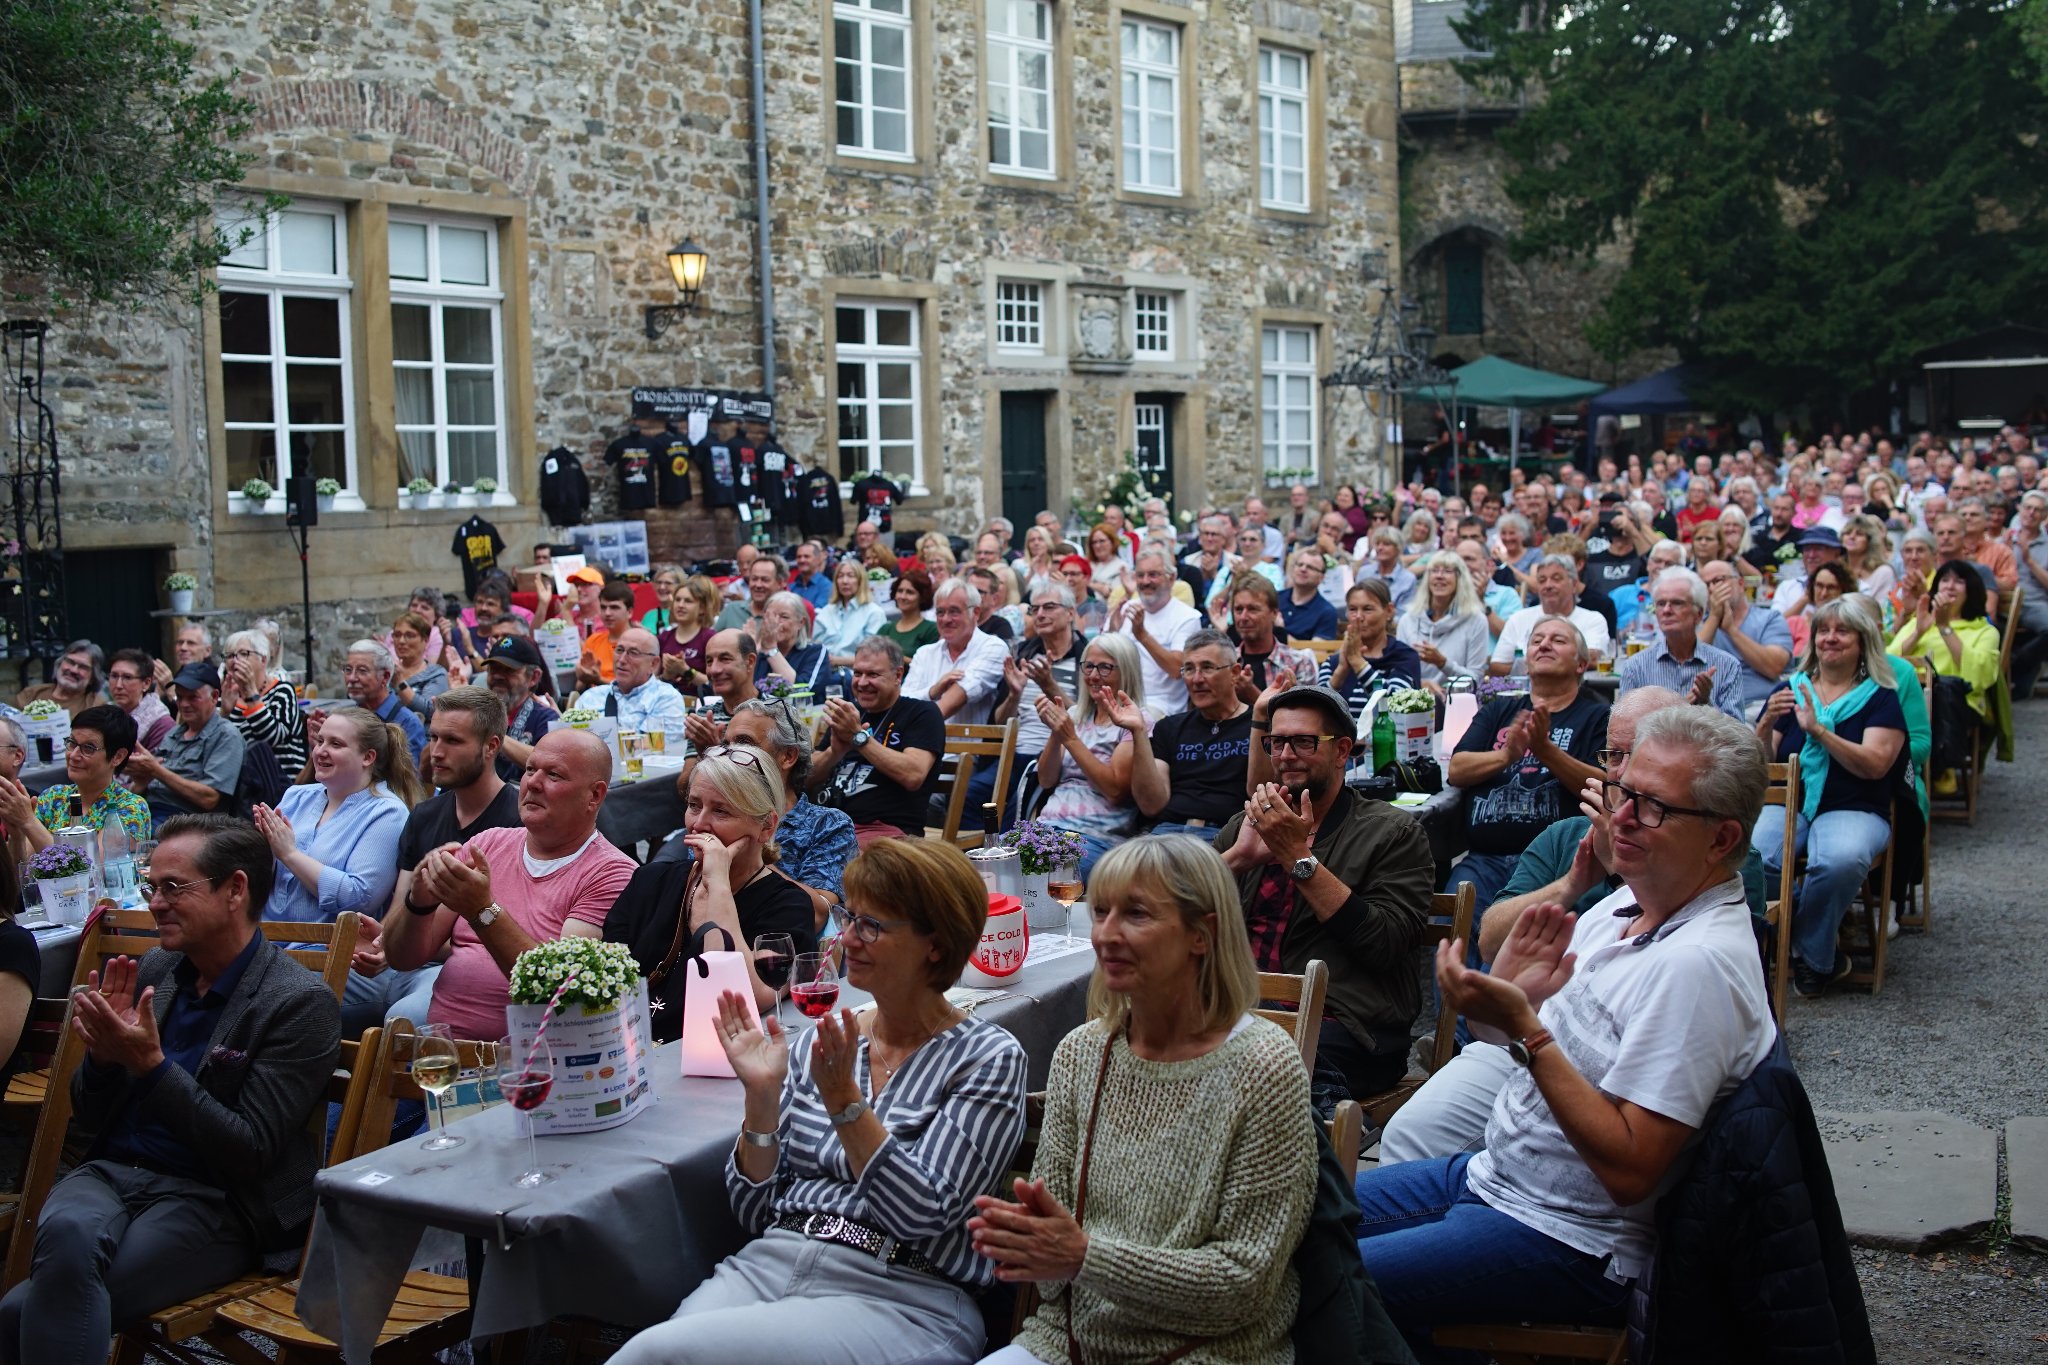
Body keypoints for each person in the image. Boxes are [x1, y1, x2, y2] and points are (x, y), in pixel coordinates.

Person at [1355, 707, 1776, 1357]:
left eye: (1653, 806)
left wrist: (1526, 1025)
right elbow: (1516, 1043)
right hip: (1495, 1178)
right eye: (1623, 790)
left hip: (1573, 1239)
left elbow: (1632, 1170)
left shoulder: (1699, 965)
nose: (1623, 816)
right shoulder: (1627, 902)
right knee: (1305, 1211)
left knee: (1323, 1282)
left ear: (1721, 840)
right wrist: (1506, 1005)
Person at [612, 843, 1024, 1365]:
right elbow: (755, 1212)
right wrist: (760, 1101)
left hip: (901, 1293)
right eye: (851, 916)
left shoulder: (985, 1058)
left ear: (935, 945)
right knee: (662, 1351)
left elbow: (921, 1213)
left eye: (872, 925)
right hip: (771, 1264)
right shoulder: (817, 1043)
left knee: (655, 1353)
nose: (846, 938)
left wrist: (846, 1104)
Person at [1377, 687, 1772, 1165]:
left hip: (1596, 1070)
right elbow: (1491, 939)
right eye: (1615, 755)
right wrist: (1573, 881)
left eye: (1645, 759)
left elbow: (1626, 1165)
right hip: (1528, 1041)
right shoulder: (1568, 836)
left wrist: (1630, 854)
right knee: (1408, 1137)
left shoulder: (1718, 874)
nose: (1623, 776)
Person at [0, 814, 340, 1365]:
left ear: (236, 889)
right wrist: (106, 1061)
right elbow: (86, 1119)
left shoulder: (297, 1003)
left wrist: (151, 1066)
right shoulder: (162, 965)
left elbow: (248, 1150)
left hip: (212, 1200)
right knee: (64, 1232)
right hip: (113, 1175)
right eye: (151, 885)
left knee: (21, 1311)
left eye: (172, 887)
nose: (154, 902)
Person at [972, 832, 1314, 1365]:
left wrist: (1084, 1257)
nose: (1105, 935)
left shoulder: (1263, 1069)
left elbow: (1245, 1286)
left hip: (1212, 1353)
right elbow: (1052, 1273)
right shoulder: (1081, 1056)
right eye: (1100, 911)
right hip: (1070, 1345)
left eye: (1135, 914)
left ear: (1203, 933)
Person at [1220, 683, 1435, 1102]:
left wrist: (1298, 857)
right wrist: (1238, 858)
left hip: (1345, 1026)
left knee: (1239, 1061)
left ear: (1341, 752)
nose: (1285, 756)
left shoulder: (1393, 832)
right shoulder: (1247, 825)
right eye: (1277, 742)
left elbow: (1385, 944)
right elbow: (1177, 914)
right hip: (1240, 1013)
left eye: (1303, 742)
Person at [383, 729, 636, 1041]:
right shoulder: (488, 844)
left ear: (594, 795)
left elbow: (559, 994)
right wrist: (417, 904)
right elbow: (403, 958)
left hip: (527, 1071)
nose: (533, 783)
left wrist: (482, 911)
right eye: (530, 769)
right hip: (445, 1057)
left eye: (554, 775)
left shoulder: (612, 873)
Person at [604, 744, 820, 1042]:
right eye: (694, 805)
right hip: (631, 1055)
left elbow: (751, 996)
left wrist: (718, 885)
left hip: (714, 1060)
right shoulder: (650, 879)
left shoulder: (787, 905)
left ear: (766, 826)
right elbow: (606, 980)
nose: (699, 823)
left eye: (720, 810)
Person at [1755, 598, 1909, 997]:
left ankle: (1812, 956)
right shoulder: (1790, 689)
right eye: (1823, 630)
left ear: (1863, 641)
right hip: (1790, 803)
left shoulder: (1881, 697)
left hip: (1856, 804)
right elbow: (1759, 764)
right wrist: (1768, 720)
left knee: (1838, 861)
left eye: (1842, 631)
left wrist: (1820, 732)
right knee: (1756, 853)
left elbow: (1876, 765)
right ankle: (1803, 934)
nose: (1830, 638)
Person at [347, 688, 518, 1037]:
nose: (436, 752)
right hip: (402, 961)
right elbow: (401, 906)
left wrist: (404, 943)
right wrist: (386, 941)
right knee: (306, 997)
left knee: (405, 1019)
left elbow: (493, 936)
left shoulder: (516, 822)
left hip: (462, 970)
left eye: (453, 741)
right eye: (433, 737)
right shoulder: (425, 816)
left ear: (491, 746)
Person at [1450, 617, 1611, 913]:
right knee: (1453, 934)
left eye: (1558, 640)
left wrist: (1546, 751)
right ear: (1526, 662)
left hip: (1560, 863)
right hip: (1486, 859)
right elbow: (1457, 769)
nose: (1544, 644)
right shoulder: (1499, 709)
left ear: (1581, 665)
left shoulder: (1598, 717)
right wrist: (1505, 756)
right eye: (1536, 640)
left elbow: (1603, 787)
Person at [255, 708, 419, 925]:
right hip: (266, 938)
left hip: (325, 949)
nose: (321, 751)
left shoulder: (387, 812)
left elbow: (360, 898)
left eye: (335, 744)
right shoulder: (296, 796)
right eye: (320, 741)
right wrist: (258, 850)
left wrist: (289, 854)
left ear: (368, 757)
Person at [722, 699, 858, 930]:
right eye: (726, 745)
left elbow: (817, 916)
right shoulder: (716, 816)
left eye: (745, 743)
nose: (729, 755)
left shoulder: (826, 825)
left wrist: (751, 858)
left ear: (788, 756)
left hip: (781, 953)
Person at [1034, 634, 1152, 878]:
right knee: (991, 868)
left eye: (1105, 667)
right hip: (1046, 828)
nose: (1094, 676)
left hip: (1095, 837)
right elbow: (1045, 780)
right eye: (1088, 666)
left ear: (1126, 671)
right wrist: (1057, 733)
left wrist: (1070, 739)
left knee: (1044, 874)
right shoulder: (1076, 714)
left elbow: (1116, 792)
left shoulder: (1136, 721)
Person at [811, 637, 943, 845]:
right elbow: (805, 779)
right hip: (828, 826)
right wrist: (833, 753)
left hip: (886, 833)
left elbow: (913, 774)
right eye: (857, 673)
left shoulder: (922, 713)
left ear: (898, 675)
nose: (862, 683)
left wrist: (858, 738)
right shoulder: (850, 713)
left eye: (873, 674)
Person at [1132, 630, 1254, 840]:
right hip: (1166, 834)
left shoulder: (1258, 725)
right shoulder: (1169, 727)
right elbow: (1151, 805)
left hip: (1227, 836)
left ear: (1234, 672)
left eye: (1207, 668)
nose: (1196, 679)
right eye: (1188, 669)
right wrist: (1138, 732)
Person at [14, 704, 151, 851]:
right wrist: (16, 831)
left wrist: (29, 821)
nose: (73, 755)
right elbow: (24, 864)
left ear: (118, 757)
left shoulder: (130, 808)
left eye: (88, 748)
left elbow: (92, 867)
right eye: (72, 743)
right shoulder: (53, 797)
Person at [128, 662, 247, 826]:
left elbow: (210, 798)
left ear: (214, 697)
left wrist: (156, 771)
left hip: (188, 823)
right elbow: (145, 784)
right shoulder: (174, 734)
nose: (184, 704)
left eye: (193, 697)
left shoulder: (225, 735)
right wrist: (141, 780)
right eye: (180, 697)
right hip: (147, 812)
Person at [1618, 567, 1746, 716]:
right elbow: (1625, 730)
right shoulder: (1636, 668)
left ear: (1698, 614)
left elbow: (1736, 736)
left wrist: (1705, 705)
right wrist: (1675, 712)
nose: (1666, 610)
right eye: (1660, 603)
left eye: (1677, 603)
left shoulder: (1727, 666)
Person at [1890, 559, 2001, 720]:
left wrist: (1944, 628)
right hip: (1908, 697)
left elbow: (1980, 676)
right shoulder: (1919, 622)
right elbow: (1886, 663)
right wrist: (1918, 633)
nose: (1950, 586)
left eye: (1959, 581)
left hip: (1955, 703)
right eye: (1945, 580)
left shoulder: (1985, 631)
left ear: (1971, 590)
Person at [1107, 550, 1202, 714]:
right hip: (1117, 698)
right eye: (1140, 575)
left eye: (1153, 575)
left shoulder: (1188, 617)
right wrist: (1111, 633)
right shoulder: (1125, 609)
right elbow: (1103, 660)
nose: (1145, 581)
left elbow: (1176, 670)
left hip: (1159, 706)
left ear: (1171, 578)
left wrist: (1142, 635)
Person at [1696, 559, 1795, 715]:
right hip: (1710, 710)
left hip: (1758, 707)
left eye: (1718, 581)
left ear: (1741, 583)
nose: (1712, 589)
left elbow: (1774, 667)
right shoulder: (1698, 623)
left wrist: (1731, 630)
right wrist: (1714, 617)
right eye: (1706, 585)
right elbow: (1689, 663)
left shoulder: (1769, 618)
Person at [902, 580, 1008, 724]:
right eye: (940, 612)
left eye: (954, 611)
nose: (946, 619)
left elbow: (962, 693)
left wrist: (918, 723)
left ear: (975, 613)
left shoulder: (993, 647)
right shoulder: (924, 653)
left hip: (969, 746)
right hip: (922, 745)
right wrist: (932, 692)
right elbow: (903, 702)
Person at [1490, 555, 1612, 673]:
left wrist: (1531, 663)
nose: (1548, 585)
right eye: (1542, 580)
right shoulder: (1518, 619)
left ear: (1574, 585)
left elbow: (1592, 659)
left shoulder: (1593, 619)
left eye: (1556, 578)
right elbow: (1497, 666)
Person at [214, 630, 308, 779]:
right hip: (240, 785)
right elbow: (215, 745)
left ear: (263, 660)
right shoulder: (225, 695)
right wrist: (224, 713)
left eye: (243, 654)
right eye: (230, 655)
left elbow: (273, 738)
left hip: (281, 784)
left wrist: (250, 694)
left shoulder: (282, 691)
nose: (235, 660)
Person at [1323, 577, 1424, 710]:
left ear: (1388, 611)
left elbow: (1396, 706)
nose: (1359, 616)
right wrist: (1341, 672)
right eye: (1352, 609)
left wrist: (1358, 663)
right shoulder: (1333, 662)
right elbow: (1317, 713)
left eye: (1368, 609)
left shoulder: (1405, 657)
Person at [1397, 550, 1491, 688]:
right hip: (1414, 701)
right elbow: (1399, 673)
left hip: (1456, 702)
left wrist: (1442, 663)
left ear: (1460, 579)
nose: (1439, 576)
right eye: (1434, 571)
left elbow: (1475, 680)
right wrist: (1421, 684)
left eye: (1447, 571)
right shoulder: (1408, 620)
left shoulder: (1476, 621)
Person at [576, 627, 691, 734]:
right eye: (619, 650)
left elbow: (660, 748)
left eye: (633, 653)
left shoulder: (666, 698)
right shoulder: (590, 698)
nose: (622, 660)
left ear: (653, 664)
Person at [335, 640, 427, 766]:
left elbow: (409, 781)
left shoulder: (407, 723)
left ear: (385, 677)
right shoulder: (347, 719)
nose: (352, 678)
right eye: (348, 670)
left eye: (362, 671)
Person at [1223, 576, 1318, 698]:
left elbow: (1302, 716)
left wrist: (1252, 693)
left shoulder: (1299, 663)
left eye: (1253, 609)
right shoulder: (1225, 664)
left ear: (1274, 613)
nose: (1243, 617)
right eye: (1238, 609)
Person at [478, 635, 555, 779]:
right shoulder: (478, 712)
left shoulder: (546, 718)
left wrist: (487, 733)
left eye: (508, 670)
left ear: (534, 677)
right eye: (493, 669)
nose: (498, 676)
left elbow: (548, 763)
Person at [815, 556, 887, 672]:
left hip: (859, 674)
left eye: (850, 576)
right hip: (825, 672)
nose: (845, 581)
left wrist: (837, 661)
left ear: (860, 580)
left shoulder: (874, 613)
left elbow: (875, 657)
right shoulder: (825, 612)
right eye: (840, 576)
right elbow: (816, 648)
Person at [657, 576, 722, 693]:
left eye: (688, 601)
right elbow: (651, 684)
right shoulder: (664, 637)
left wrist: (686, 671)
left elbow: (717, 685)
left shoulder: (710, 638)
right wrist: (667, 675)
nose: (680, 605)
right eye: (677, 600)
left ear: (702, 608)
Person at [106, 649, 175, 755]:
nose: (118, 685)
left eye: (127, 677)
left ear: (146, 683)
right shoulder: (106, 714)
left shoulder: (162, 723)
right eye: (114, 676)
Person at [15, 639, 106, 719]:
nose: (73, 670)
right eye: (70, 662)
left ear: (93, 678)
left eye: (83, 667)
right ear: (59, 664)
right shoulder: (31, 694)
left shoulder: (96, 706)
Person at [575, 581, 640, 688]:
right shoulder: (593, 640)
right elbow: (578, 688)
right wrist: (584, 677)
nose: (607, 613)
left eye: (614, 607)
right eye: (603, 607)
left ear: (629, 612)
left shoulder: (640, 643)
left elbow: (636, 690)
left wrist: (599, 680)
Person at [388, 612, 450, 720]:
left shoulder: (435, 673)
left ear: (425, 640)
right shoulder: (388, 671)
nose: (401, 641)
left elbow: (431, 710)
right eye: (397, 635)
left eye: (409, 635)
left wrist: (400, 684)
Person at [1279, 548, 1341, 641]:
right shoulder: (1273, 599)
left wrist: (1280, 631)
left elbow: (1317, 653)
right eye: (1300, 565)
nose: (1303, 569)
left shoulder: (1327, 612)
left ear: (1321, 578)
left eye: (1310, 567)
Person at [716, 554, 787, 633]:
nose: (758, 585)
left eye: (765, 580)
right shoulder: (732, 610)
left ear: (780, 583)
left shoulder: (785, 616)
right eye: (754, 579)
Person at [881, 569, 941, 658]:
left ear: (922, 597)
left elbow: (930, 666)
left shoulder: (931, 630)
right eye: (900, 591)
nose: (903, 596)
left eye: (910, 592)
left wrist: (894, 658)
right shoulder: (886, 629)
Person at [1841, 514, 1897, 601]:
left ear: (1870, 541)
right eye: (1848, 533)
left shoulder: (1883, 573)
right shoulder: (1836, 569)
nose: (1852, 537)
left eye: (1859, 534)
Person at [787, 540, 833, 610]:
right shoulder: (791, 587)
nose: (802, 560)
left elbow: (817, 612)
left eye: (806, 556)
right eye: (799, 557)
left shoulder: (827, 587)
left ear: (818, 559)